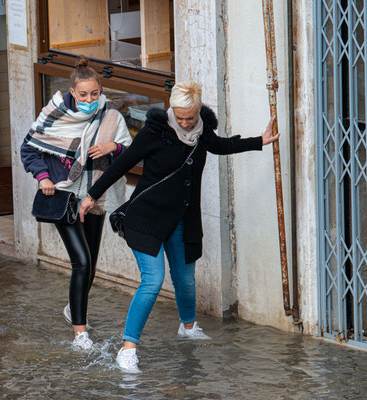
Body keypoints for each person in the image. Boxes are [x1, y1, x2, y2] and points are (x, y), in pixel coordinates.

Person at [79, 81, 279, 371]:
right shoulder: (154, 132)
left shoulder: (201, 132)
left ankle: (188, 326)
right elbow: (120, 165)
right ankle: (128, 348)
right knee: (153, 280)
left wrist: (258, 141)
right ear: (171, 109)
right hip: (146, 219)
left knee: (185, 280)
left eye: (190, 117)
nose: (185, 123)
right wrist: (91, 195)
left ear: (198, 110)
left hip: (183, 219)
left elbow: (221, 145)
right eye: (180, 116)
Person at [21, 56, 132, 350]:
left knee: (91, 265)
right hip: (62, 195)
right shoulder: (54, 113)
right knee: (81, 262)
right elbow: (28, 148)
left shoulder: (110, 115)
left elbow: (131, 152)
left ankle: (73, 307)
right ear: (73, 92)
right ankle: (80, 334)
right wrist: (43, 177)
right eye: (83, 94)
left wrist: (114, 146)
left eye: (94, 93)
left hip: (94, 197)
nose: (89, 99)